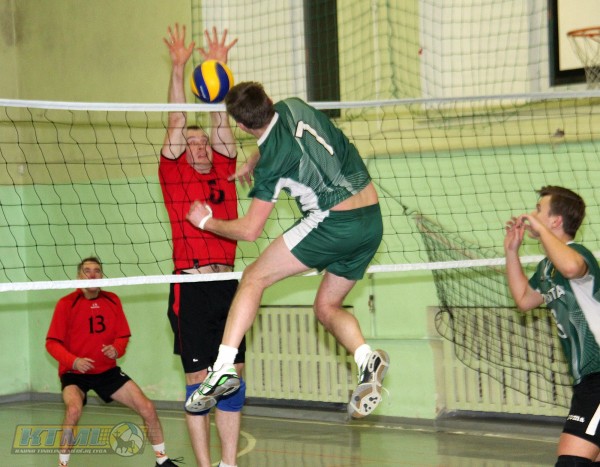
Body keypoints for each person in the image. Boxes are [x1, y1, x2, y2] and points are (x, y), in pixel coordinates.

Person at [185, 81, 390, 419]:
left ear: (241, 126)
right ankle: (366, 358)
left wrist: (206, 222)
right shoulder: (295, 105)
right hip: (371, 221)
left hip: (334, 222)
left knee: (253, 277)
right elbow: (279, 137)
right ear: (269, 99)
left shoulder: (272, 166)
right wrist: (253, 159)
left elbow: (250, 231)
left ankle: (222, 368)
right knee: (326, 307)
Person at [160, 24, 245, 467]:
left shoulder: (226, 170)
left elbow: (220, 121)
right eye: (189, 143)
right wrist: (179, 68)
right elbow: (177, 119)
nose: (197, 146)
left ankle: (229, 464)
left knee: (233, 377)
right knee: (198, 381)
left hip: (229, 286)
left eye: (202, 142)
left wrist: (219, 70)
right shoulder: (174, 176)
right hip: (190, 286)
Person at [46, 257, 180, 467]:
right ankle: (62, 464)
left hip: (107, 371)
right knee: (73, 411)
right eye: (87, 271)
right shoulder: (66, 303)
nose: (92, 275)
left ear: (102, 275)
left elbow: (122, 336)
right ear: (79, 276)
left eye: (97, 270)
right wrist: (74, 361)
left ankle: (162, 460)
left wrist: (117, 349)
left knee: (147, 407)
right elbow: (52, 343)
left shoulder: (112, 300)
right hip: (75, 374)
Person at [504, 186, 600, 467]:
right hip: (586, 379)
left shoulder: (577, 254)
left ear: (555, 221)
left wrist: (541, 231)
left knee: (572, 461)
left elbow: (571, 268)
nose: (532, 215)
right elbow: (524, 300)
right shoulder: (547, 268)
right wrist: (511, 251)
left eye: (538, 210)